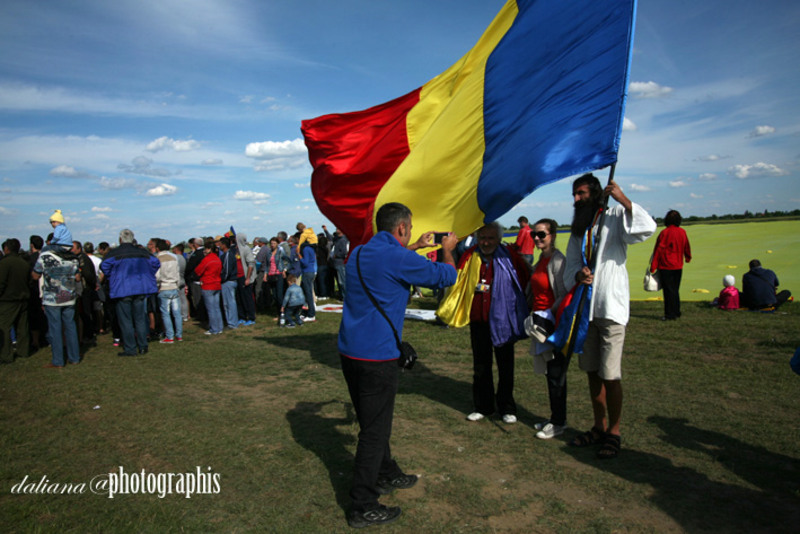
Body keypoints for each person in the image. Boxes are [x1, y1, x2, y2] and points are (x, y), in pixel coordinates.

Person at [338, 202, 457, 528]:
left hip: (350, 351)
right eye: (410, 228)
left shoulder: (359, 253)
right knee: (374, 432)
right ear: (402, 228)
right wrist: (447, 250)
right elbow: (446, 276)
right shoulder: (398, 257)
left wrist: (415, 246)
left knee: (372, 422)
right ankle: (363, 505)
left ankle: (387, 472)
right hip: (377, 356)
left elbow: (387, 265)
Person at [563, 173, 655, 459]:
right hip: (587, 309)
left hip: (611, 307)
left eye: (581, 193)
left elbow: (646, 229)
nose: (576, 199)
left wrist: (623, 200)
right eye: (575, 194)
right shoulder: (579, 228)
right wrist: (579, 275)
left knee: (610, 374)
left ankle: (614, 432)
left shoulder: (615, 216)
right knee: (592, 371)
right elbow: (571, 265)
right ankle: (598, 426)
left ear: (595, 193)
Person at [455, 223, 529, 424]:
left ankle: (507, 407)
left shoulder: (510, 257)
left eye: (490, 238)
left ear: (498, 239)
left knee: (506, 366)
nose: (486, 242)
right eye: (482, 238)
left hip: (503, 320)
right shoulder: (470, 256)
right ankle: (483, 406)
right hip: (479, 320)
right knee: (481, 365)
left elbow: (522, 281)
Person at [525, 219, 569, 439]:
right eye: (534, 234)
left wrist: (549, 314)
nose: (536, 238)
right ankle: (555, 417)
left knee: (556, 373)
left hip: (552, 324)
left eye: (541, 234)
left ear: (552, 235)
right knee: (549, 372)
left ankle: (559, 422)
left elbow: (564, 293)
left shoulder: (558, 261)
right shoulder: (541, 259)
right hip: (541, 322)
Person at [99, 229, 160, 357]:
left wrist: (114, 276)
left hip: (122, 289)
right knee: (140, 319)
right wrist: (145, 274)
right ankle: (143, 346)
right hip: (140, 288)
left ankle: (130, 348)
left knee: (126, 320)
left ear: (120, 239)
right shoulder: (143, 252)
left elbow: (104, 267)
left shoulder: (114, 253)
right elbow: (155, 263)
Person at [32, 232, 82, 367]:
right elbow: (78, 278)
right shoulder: (73, 258)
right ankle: (74, 357)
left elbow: (35, 276)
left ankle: (58, 360)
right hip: (69, 296)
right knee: (70, 327)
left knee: (55, 329)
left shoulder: (45, 256)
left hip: (52, 298)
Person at [650, 210, 692, 320]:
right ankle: (676, 311)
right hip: (678, 265)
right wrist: (688, 257)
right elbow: (686, 246)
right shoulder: (682, 232)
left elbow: (659, 249)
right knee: (675, 290)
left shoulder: (665, 233)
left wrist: (653, 265)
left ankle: (669, 314)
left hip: (666, 266)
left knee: (668, 291)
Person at [0, 239, 31, 363]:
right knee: (22, 327)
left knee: (4, 327)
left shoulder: (4, 263)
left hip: (8, 300)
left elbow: (1, 282)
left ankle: (6, 354)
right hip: (23, 298)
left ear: (6, 249)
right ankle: (23, 351)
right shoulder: (24, 263)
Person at [155, 239, 182, 343]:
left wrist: (158, 286)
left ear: (157, 248)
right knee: (177, 313)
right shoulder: (174, 257)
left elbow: (157, 276)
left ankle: (170, 336)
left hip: (164, 287)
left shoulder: (158, 258)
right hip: (174, 286)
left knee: (166, 313)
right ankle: (179, 335)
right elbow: (177, 273)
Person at [195, 238, 224, 335]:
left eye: (205, 249)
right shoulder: (217, 259)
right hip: (217, 284)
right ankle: (219, 327)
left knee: (211, 309)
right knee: (216, 308)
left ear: (209, 249)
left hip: (208, 285)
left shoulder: (207, 259)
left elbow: (198, 271)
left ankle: (214, 329)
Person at [218, 237, 240, 329]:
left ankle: (232, 323)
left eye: (220, 244)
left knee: (230, 303)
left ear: (224, 245)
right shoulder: (225, 255)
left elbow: (227, 270)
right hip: (227, 282)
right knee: (226, 303)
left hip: (228, 282)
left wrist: (222, 279)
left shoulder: (228, 255)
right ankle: (230, 322)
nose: (219, 246)